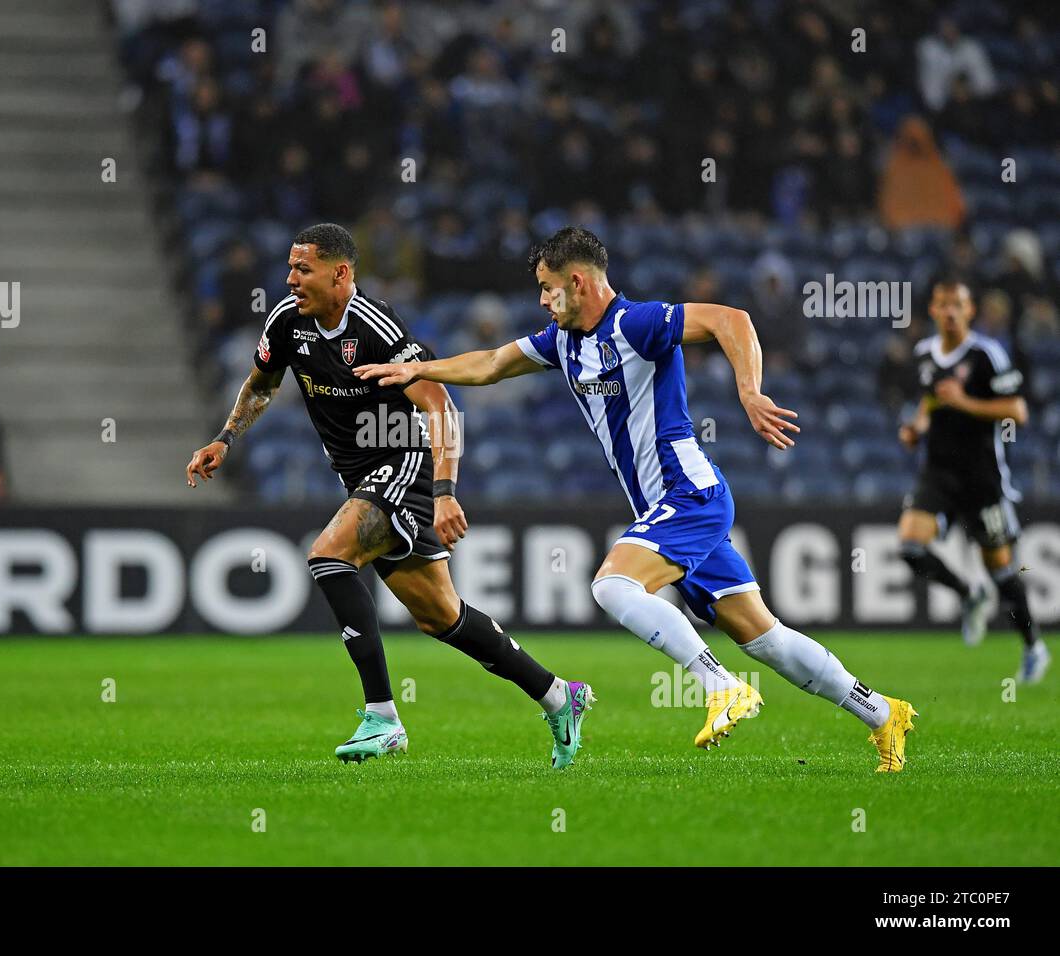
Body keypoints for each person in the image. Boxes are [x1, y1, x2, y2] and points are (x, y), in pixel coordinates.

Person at [357, 226, 917, 772]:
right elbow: (493, 363)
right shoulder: (564, 341)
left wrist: (750, 391)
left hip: (688, 492)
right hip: (668, 507)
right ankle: (882, 711)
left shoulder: (637, 322)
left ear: (578, 282)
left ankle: (720, 686)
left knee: (611, 585)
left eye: (547, 288)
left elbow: (731, 319)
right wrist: (418, 368)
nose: (542, 300)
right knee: (763, 636)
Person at [185, 223, 592, 767]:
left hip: (402, 462)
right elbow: (263, 382)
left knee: (329, 554)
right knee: (441, 616)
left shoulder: (375, 327)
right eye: (290, 267)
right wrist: (225, 438)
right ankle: (558, 695)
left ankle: (383, 717)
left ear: (340, 273)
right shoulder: (287, 321)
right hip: (360, 479)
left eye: (302, 269)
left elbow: (440, 406)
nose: (291, 279)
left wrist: (445, 493)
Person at [897, 276, 1046, 683]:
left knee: (1001, 570)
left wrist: (965, 402)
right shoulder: (924, 352)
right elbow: (930, 398)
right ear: (932, 309)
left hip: (981, 477)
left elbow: (1018, 410)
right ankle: (968, 595)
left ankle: (1033, 645)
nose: (949, 311)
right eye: (942, 304)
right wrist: (916, 427)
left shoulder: (986, 355)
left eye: (957, 304)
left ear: (969, 310)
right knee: (911, 547)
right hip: (938, 472)